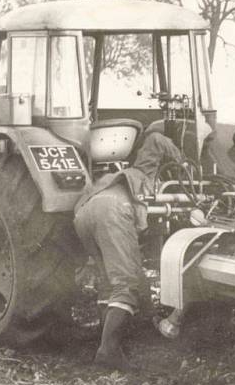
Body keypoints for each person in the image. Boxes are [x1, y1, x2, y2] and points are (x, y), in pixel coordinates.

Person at [74, 131, 182, 370]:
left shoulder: (119, 175)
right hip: (113, 212)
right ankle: (108, 351)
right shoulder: (145, 171)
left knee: (108, 281)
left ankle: (105, 342)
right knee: (127, 282)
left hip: (84, 213)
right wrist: (183, 163)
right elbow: (157, 139)